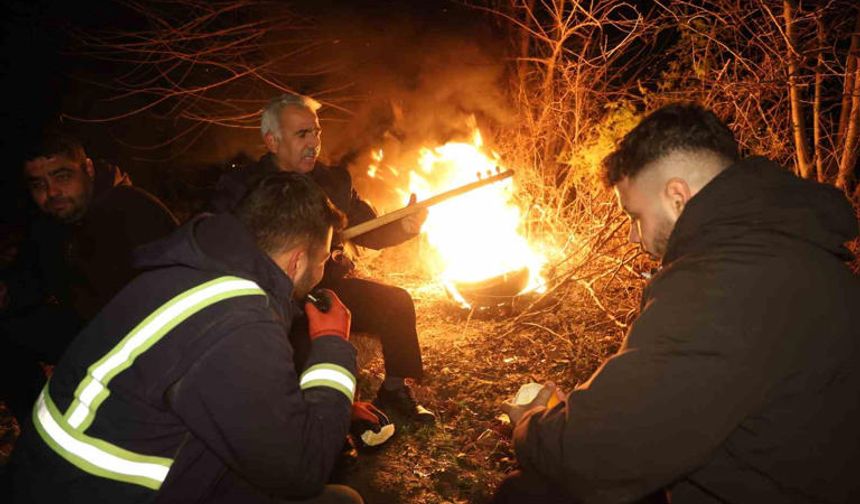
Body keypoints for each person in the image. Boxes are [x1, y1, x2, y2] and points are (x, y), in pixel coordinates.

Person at [494, 103, 860, 503]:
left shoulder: (721, 283)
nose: (634, 237)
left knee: (527, 495)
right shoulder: (788, 250)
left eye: (635, 216)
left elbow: (601, 453)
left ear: (677, 197)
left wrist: (530, 423)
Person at [11, 172, 363, 503]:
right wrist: (332, 344)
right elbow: (301, 470)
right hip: (102, 492)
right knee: (342, 500)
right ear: (297, 262)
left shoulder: (190, 269)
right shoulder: (240, 322)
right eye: (324, 259)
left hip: (56, 478)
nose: (324, 269)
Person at [211, 94, 435, 424]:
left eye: (316, 132)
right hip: (269, 296)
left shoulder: (334, 180)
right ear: (272, 141)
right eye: (302, 134)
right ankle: (313, 418)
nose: (314, 142)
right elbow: (219, 243)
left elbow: (368, 229)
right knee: (301, 342)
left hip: (324, 286)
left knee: (396, 303)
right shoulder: (241, 187)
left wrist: (403, 225)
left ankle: (394, 388)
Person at [0, 132, 178, 424]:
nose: (52, 192)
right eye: (38, 184)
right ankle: (39, 426)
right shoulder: (49, 223)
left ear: (89, 169)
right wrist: (9, 292)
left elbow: (174, 298)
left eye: (62, 176)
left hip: (146, 343)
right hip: (88, 331)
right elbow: (33, 277)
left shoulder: (136, 212)